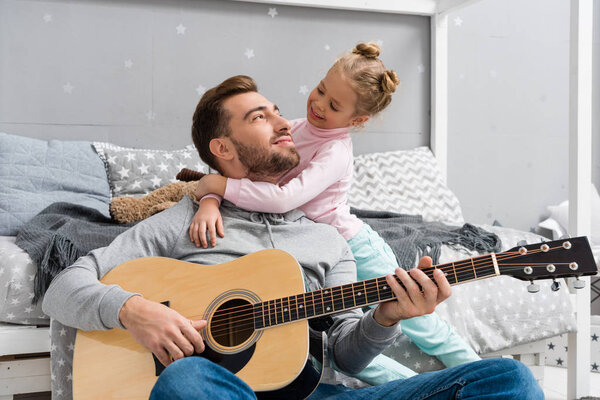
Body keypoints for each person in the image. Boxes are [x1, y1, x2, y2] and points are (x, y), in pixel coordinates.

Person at [42, 75, 543, 400]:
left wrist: (387, 316)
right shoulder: (186, 216)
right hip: (213, 389)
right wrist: (134, 310)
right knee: (186, 378)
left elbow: (346, 355)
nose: (287, 124)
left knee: (508, 379)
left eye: (279, 111)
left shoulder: (327, 240)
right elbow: (64, 287)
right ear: (223, 148)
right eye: (261, 118)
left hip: (317, 395)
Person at [187, 42, 481, 385]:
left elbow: (285, 198)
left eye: (334, 104)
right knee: (325, 347)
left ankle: (477, 374)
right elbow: (245, 173)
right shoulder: (293, 129)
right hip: (304, 248)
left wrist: (217, 188)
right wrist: (209, 198)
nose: (319, 103)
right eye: (321, 89)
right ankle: (418, 388)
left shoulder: (335, 151)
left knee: (420, 322)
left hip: (350, 244)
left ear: (356, 120)